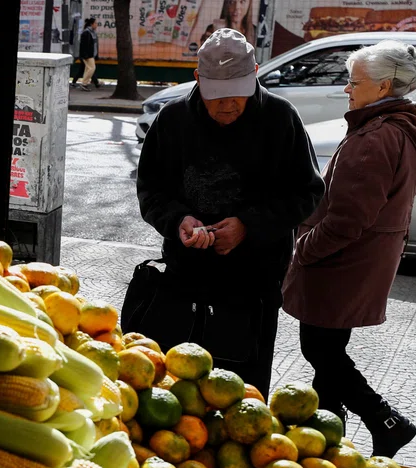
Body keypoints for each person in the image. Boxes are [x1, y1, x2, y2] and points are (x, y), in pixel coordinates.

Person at [125, 28, 324, 396]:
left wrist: (248, 226)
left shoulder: (281, 119)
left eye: (238, 94)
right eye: (217, 96)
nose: (228, 105)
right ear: (198, 79)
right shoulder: (172, 121)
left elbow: (308, 192)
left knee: (242, 393)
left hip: (254, 283)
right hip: (184, 276)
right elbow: (150, 190)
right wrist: (178, 220)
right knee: (176, 388)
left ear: (255, 76)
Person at [282, 41, 416, 457]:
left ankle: (386, 422)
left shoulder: (375, 137)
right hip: (362, 262)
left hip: (342, 264)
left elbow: (347, 219)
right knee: (328, 350)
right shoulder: (398, 129)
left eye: (355, 82)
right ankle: (327, 435)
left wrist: (305, 249)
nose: (348, 89)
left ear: (384, 86)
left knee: (320, 350)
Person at [78, 18, 99, 91]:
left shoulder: (92, 32)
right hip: (88, 55)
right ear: (91, 24)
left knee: (88, 69)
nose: (96, 25)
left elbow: (94, 45)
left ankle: (84, 84)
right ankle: (84, 83)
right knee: (91, 68)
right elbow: (84, 45)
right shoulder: (86, 33)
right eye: (95, 23)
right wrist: (85, 55)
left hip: (91, 54)